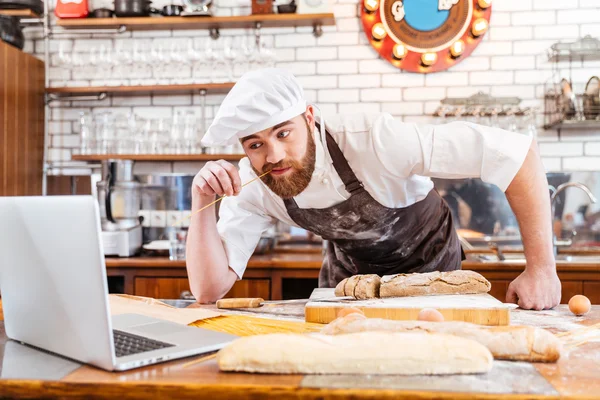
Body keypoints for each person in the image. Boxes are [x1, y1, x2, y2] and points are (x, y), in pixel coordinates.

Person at [186, 68, 561, 310]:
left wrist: (542, 270)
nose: (274, 155)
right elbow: (209, 290)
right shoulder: (255, 183)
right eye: (255, 145)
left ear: (310, 118)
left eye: (284, 133)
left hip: (432, 277)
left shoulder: (376, 141)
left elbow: (518, 154)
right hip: (349, 287)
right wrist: (202, 201)